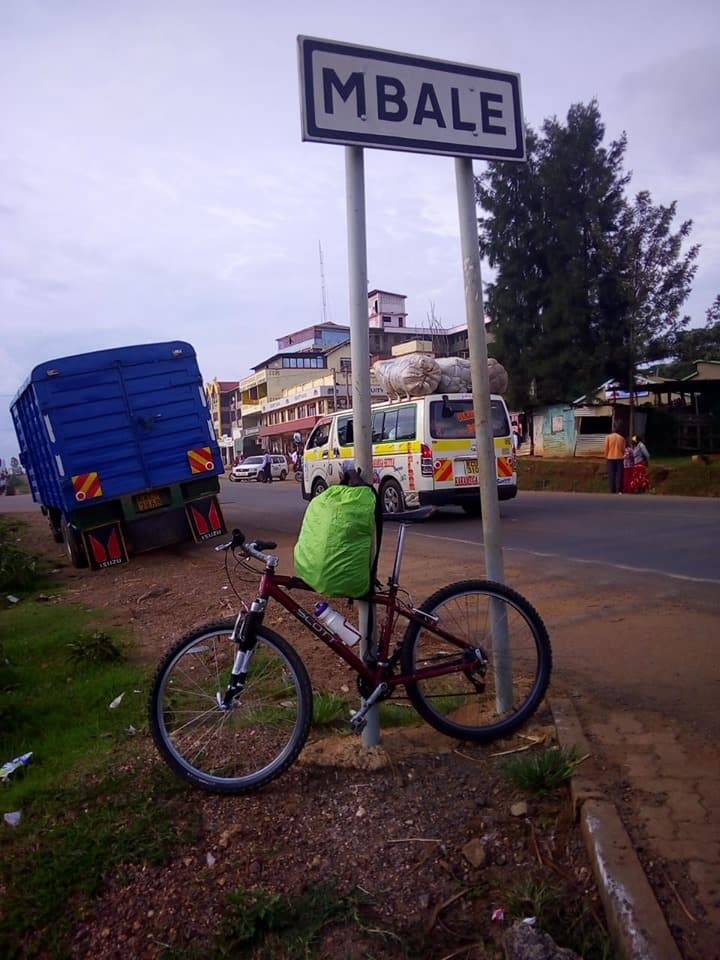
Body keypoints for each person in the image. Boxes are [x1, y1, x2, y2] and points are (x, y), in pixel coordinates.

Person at [604, 427, 626, 494]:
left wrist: (606, 456)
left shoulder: (608, 437)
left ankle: (612, 490)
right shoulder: (622, 438)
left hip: (610, 458)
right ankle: (620, 490)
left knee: (612, 475)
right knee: (620, 475)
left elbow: (606, 448)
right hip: (619, 458)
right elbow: (623, 450)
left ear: (612, 431)